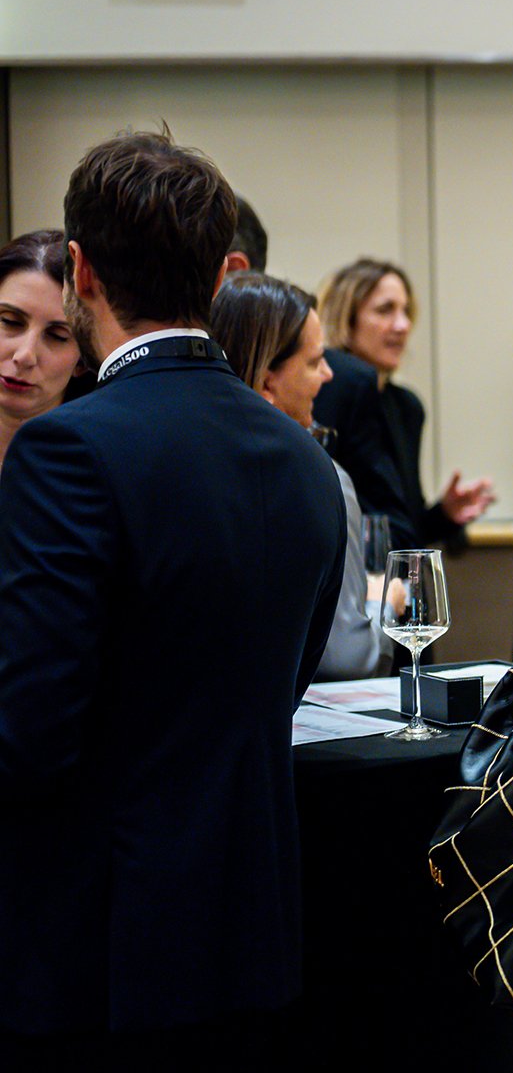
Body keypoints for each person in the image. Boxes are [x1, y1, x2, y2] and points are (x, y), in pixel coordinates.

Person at [0, 130, 346, 1070]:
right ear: (226, 273)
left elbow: (31, 731)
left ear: (81, 272)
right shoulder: (305, 462)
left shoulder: (68, 448)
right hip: (254, 927)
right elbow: (283, 685)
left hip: (101, 940)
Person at [213, 271, 389, 681]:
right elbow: (348, 657)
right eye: (313, 362)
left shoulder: (186, 467)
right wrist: (385, 603)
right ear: (267, 380)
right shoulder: (321, 480)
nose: (328, 374)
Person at [317, 257, 494, 549]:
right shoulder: (323, 395)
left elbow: (402, 526)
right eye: (385, 310)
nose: (403, 325)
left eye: (406, 311)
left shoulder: (406, 407)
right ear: (345, 319)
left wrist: (443, 514)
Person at [0, 229, 89, 475]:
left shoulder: (98, 468)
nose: (25, 355)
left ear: (83, 360)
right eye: (9, 321)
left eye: (57, 336)